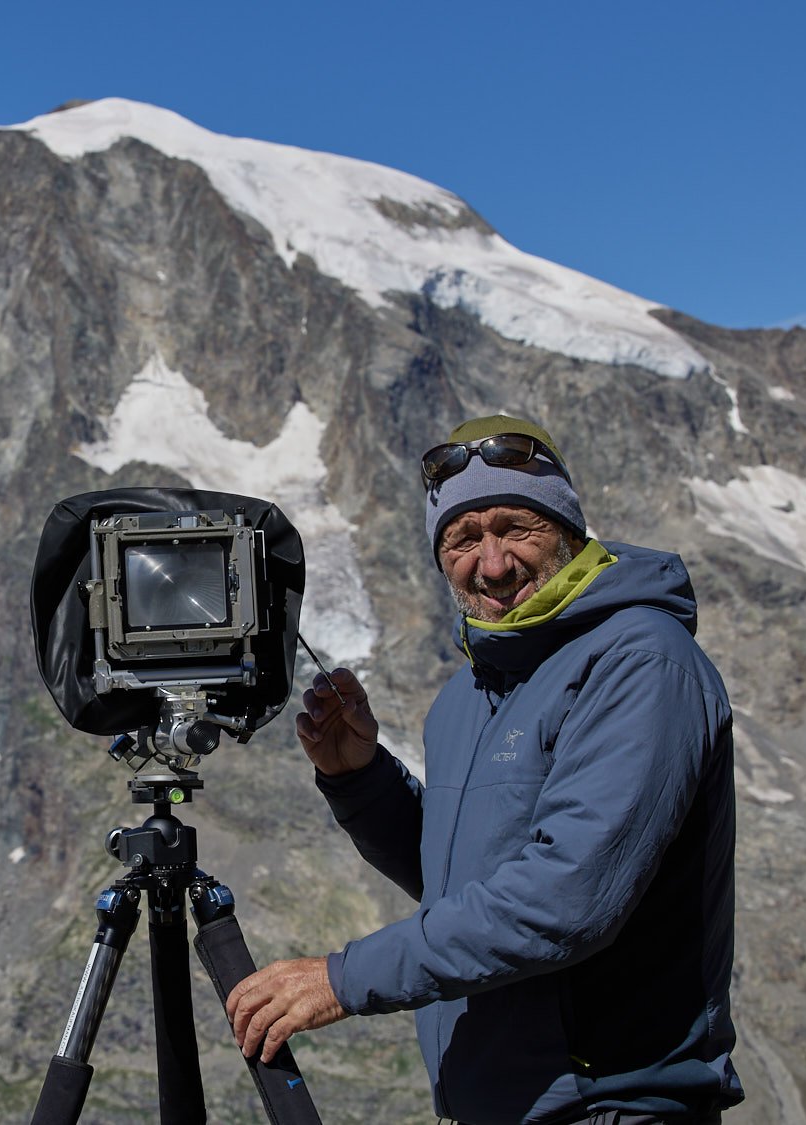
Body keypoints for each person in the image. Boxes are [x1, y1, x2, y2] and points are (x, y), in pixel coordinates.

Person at [223, 415, 744, 1124]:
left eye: (516, 528)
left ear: (567, 528)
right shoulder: (465, 696)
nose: (492, 564)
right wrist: (362, 780)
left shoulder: (639, 662)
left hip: (609, 1107)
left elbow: (565, 897)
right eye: (464, 539)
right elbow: (463, 877)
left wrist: (345, 979)